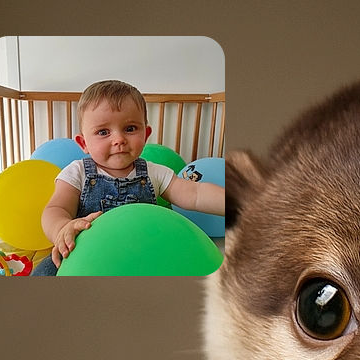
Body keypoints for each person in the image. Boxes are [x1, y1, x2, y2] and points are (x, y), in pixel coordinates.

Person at [30, 80, 224, 276]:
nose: (119, 139)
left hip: (142, 252)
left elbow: (195, 193)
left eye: (130, 129)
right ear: (83, 143)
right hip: (85, 255)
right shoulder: (77, 172)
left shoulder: (154, 173)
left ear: (146, 134)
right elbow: (56, 208)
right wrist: (62, 229)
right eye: (103, 132)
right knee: (44, 273)